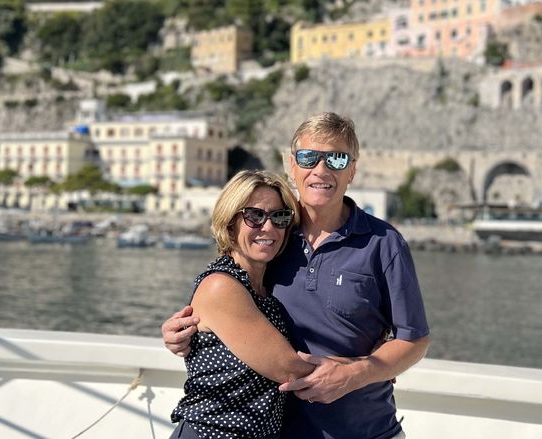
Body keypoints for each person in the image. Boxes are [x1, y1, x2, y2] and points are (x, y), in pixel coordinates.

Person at [163, 112, 431, 439]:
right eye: (308, 157)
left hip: (368, 430)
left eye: (336, 158)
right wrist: (184, 329)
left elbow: (414, 339)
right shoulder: (274, 238)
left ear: (352, 170)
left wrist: (361, 371)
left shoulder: (384, 243)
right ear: (292, 165)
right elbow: (224, 295)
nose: (321, 169)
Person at [169, 170, 315, 439]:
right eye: (254, 216)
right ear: (229, 222)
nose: (268, 227)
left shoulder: (266, 286)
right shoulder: (221, 286)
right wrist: (362, 370)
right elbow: (288, 369)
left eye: (279, 217)